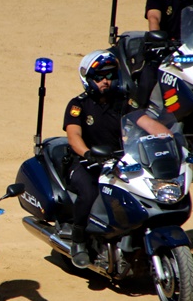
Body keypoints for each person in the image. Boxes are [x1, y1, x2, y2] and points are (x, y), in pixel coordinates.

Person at [63, 51, 168, 269]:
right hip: (85, 163)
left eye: (109, 76)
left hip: (118, 160)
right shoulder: (78, 105)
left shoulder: (122, 102)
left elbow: (147, 123)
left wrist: (169, 138)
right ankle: (79, 239)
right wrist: (87, 154)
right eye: (100, 77)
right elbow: (74, 137)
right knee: (89, 191)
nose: (105, 81)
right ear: (88, 79)